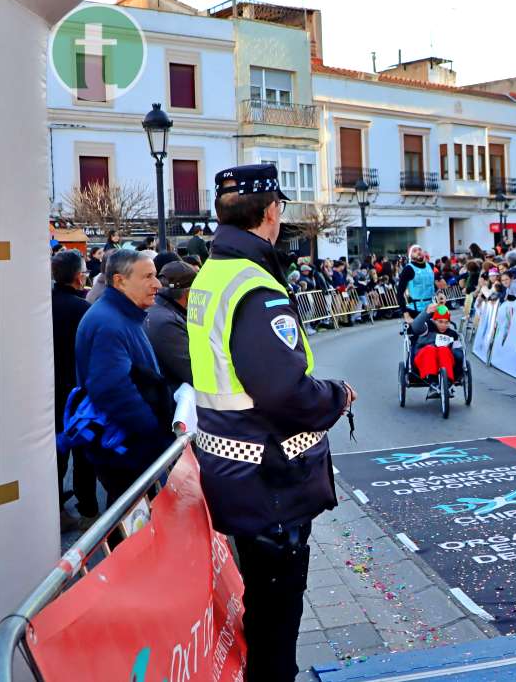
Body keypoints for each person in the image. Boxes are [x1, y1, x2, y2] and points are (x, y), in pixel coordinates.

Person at [188, 163, 355, 681]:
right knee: (277, 625)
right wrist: (336, 396)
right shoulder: (255, 286)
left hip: (235, 471)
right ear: (271, 212)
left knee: (262, 615)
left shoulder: (213, 272)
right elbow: (284, 391)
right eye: (280, 207)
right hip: (269, 479)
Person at [71, 249, 174, 502]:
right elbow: (113, 392)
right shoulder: (108, 322)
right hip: (127, 450)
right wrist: (155, 435)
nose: (157, 284)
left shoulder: (119, 315)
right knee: (132, 527)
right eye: (148, 276)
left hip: (129, 447)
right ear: (120, 281)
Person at [50, 250, 98, 526]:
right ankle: (89, 511)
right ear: (79, 277)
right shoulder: (83, 310)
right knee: (83, 453)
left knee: (56, 454)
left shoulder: (43, 306)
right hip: (78, 392)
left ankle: (55, 507)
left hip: (49, 392)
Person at [145, 261, 198, 390]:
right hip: (172, 399)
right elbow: (195, 373)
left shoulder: (155, 310)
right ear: (189, 293)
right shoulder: (167, 323)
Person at [408, 303, 464, 389]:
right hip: (424, 356)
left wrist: (457, 354)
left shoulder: (452, 334)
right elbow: (415, 326)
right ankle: (432, 378)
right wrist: (426, 312)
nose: (443, 325)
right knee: (431, 349)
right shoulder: (427, 327)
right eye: (440, 322)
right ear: (434, 320)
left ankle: (447, 380)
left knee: (443, 350)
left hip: (444, 361)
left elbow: (459, 352)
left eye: (446, 322)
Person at [397, 244, 438, 315]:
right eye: (414, 251)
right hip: (416, 310)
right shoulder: (408, 269)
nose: (418, 252)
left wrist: (439, 293)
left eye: (420, 249)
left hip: (433, 307)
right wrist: (405, 314)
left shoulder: (430, 266)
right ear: (411, 256)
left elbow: (433, 285)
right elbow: (400, 293)